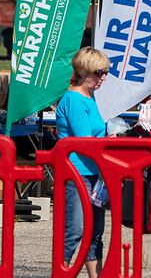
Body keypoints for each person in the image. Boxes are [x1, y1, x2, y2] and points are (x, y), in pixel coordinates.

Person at [55, 47, 109, 277]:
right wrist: (109, 143)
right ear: (85, 72)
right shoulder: (75, 100)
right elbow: (85, 140)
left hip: (93, 172)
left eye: (106, 71)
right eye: (100, 72)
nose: (104, 77)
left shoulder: (89, 97)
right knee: (75, 230)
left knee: (95, 232)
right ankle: (61, 271)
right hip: (77, 172)